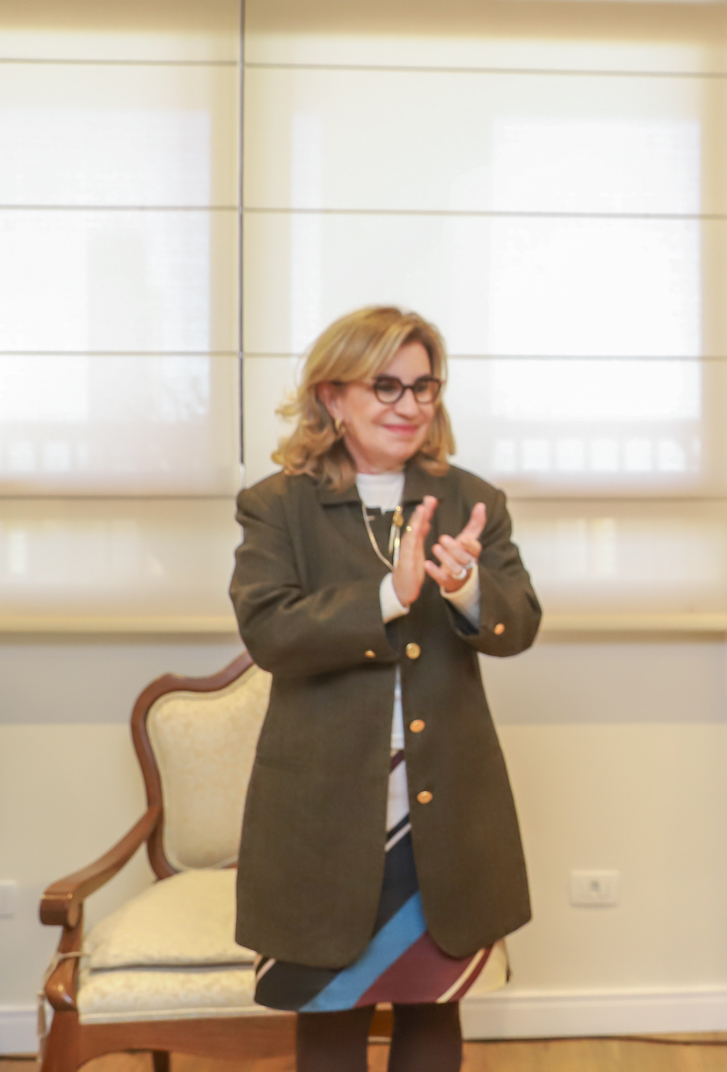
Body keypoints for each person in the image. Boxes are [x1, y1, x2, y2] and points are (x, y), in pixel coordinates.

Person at [230, 306, 540, 1072]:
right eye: (386, 387)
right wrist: (385, 597)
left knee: (431, 1006)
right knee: (331, 1010)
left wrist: (466, 591)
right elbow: (269, 632)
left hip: (443, 801)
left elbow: (520, 625)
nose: (410, 406)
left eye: (423, 387)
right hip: (323, 807)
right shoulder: (277, 505)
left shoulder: (473, 500)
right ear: (333, 398)